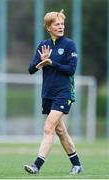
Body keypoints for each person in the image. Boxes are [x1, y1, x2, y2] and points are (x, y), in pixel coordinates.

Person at [24, 9, 83, 175]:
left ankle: (36, 165)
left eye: (62, 24)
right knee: (60, 131)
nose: (61, 26)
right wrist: (41, 63)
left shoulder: (70, 44)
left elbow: (71, 69)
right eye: (57, 24)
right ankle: (77, 164)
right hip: (48, 94)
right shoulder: (44, 45)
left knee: (48, 127)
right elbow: (30, 69)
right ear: (48, 27)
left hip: (64, 93)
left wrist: (52, 63)